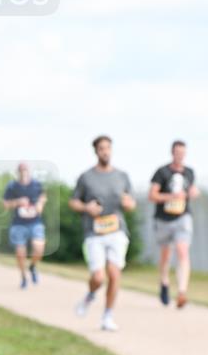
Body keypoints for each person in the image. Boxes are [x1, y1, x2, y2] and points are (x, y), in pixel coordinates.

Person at [69, 136, 136, 331]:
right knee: (98, 278)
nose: (105, 152)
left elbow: (131, 203)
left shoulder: (122, 176)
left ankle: (107, 315)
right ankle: (90, 295)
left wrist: (128, 203)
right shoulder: (86, 177)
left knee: (114, 274)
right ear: (96, 151)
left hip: (117, 230)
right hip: (94, 232)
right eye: (101, 148)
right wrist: (86, 207)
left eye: (108, 148)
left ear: (111, 150)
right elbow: (73, 202)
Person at [148, 140, 199, 308]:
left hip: (182, 217)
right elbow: (152, 196)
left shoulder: (190, 172)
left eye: (183, 153)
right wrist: (171, 197)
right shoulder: (161, 172)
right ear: (172, 153)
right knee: (166, 255)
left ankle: (182, 291)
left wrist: (193, 192)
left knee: (182, 251)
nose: (180, 156)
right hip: (163, 219)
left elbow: (193, 191)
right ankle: (164, 282)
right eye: (178, 152)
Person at [2, 163, 47, 289]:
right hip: (18, 224)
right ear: (18, 172)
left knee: (39, 249)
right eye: (21, 170)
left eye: (25, 169)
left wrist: (40, 204)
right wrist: (17, 202)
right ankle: (23, 277)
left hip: (35, 222)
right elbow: (4, 204)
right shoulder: (12, 187)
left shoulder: (36, 184)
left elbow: (43, 196)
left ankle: (32, 266)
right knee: (20, 254)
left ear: (29, 170)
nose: (23, 172)